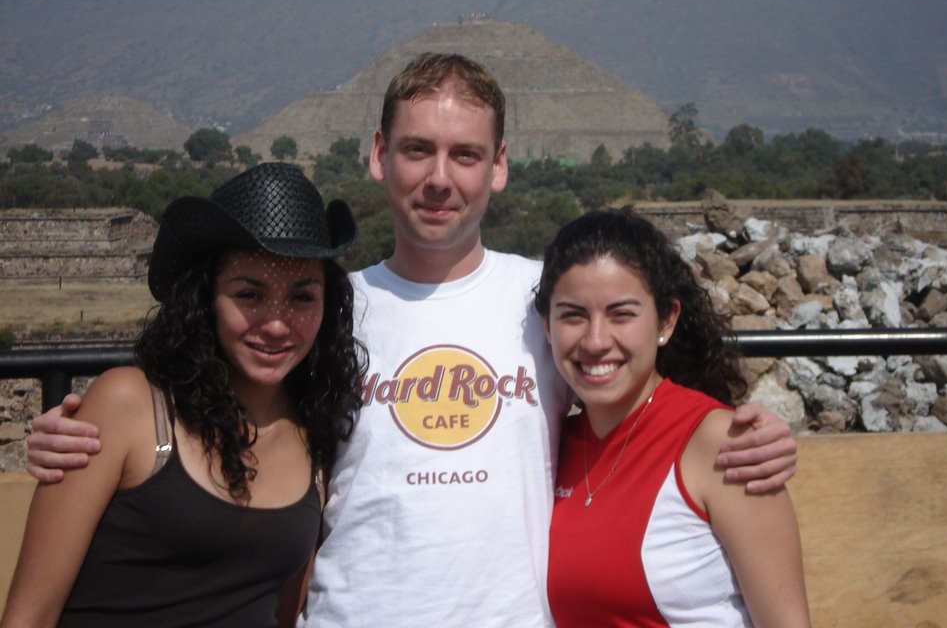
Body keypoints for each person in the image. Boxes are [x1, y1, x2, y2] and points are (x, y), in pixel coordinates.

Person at [25, 53, 798, 627]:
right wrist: (72, 432)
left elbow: (642, 399)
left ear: (498, 168)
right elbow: (212, 406)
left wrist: (752, 432)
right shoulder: (322, 313)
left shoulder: (548, 303)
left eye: (464, 155)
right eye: (418, 150)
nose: (439, 178)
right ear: (378, 156)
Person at [2, 163, 364, 628]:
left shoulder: (315, 436)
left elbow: (280, 613)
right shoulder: (132, 407)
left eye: (301, 297)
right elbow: (28, 615)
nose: (276, 323)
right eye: (250, 294)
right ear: (206, 296)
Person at [535, 208, 809, 627]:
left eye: (621, 314)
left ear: (666, 321)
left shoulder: (725, 445)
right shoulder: (551, 446)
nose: (594, 340)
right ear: (547, 327)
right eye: (573, 315)